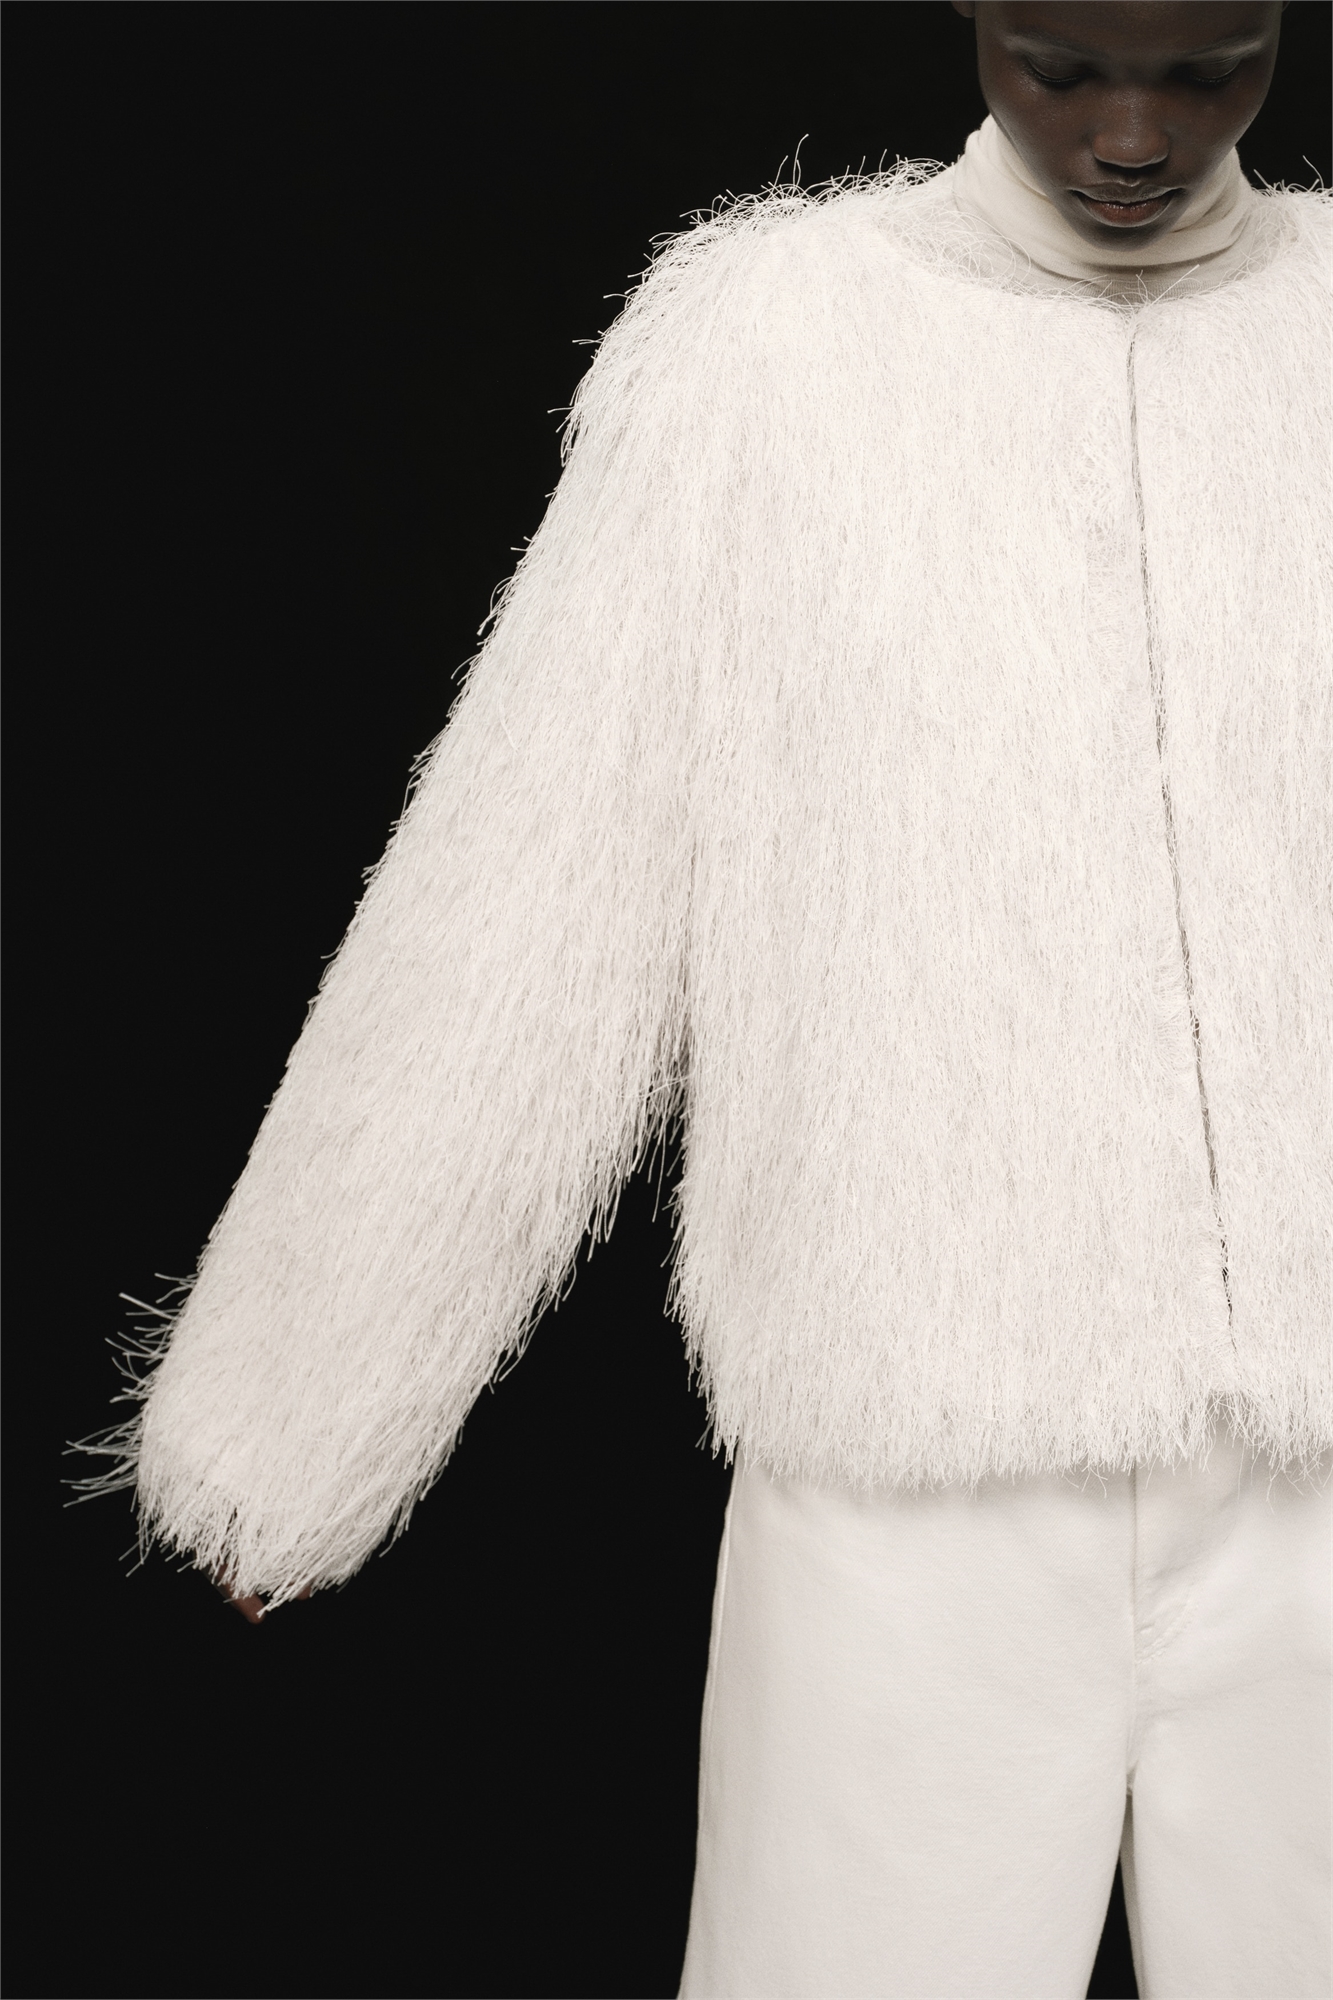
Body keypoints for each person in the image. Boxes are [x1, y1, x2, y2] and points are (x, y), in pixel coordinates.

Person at [84, 4, 1329, 1994]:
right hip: (903, 1474)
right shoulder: (772, 355)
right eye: (1055, 58)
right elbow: (531, 880)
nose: (1128, 134)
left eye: (1208, 68)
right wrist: (288, 1426)